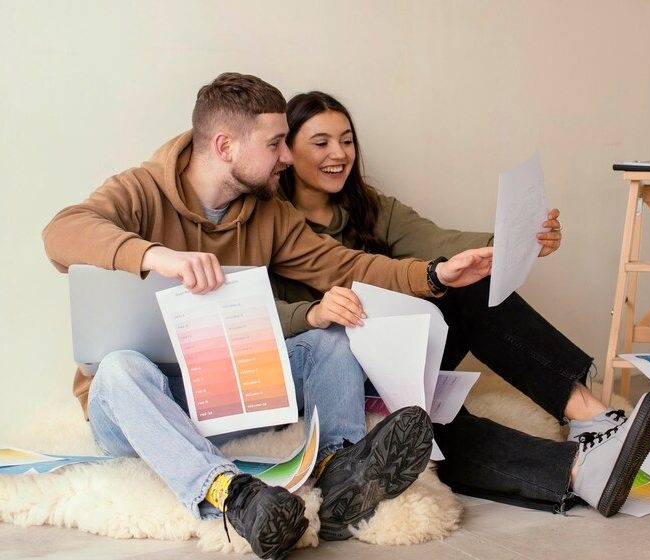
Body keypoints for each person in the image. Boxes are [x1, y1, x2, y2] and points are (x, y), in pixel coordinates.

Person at [42, 73, 497, 557]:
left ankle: (339, 471)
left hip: (231, 393)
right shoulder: (139, 190)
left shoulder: (268, 214)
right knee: (117, 368)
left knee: (332, 337)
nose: (287, 156)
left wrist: (433, 276)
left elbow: (346, 266)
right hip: (140, 410)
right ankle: (231, 495)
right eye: (277, 143)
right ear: (225, 146)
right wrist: (158, 257)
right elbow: (62, 231)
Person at [271, 90, 650, 517]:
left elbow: (442, 243)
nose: (338, 154)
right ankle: (574, 470)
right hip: (337, 373)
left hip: (398, 355)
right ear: (286, 150)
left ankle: (593, 418)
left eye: (347, 140)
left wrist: (518, 242)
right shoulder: (273, 223)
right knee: (421, 426)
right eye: (321, 142)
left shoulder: (370, 207)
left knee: (470, 284)